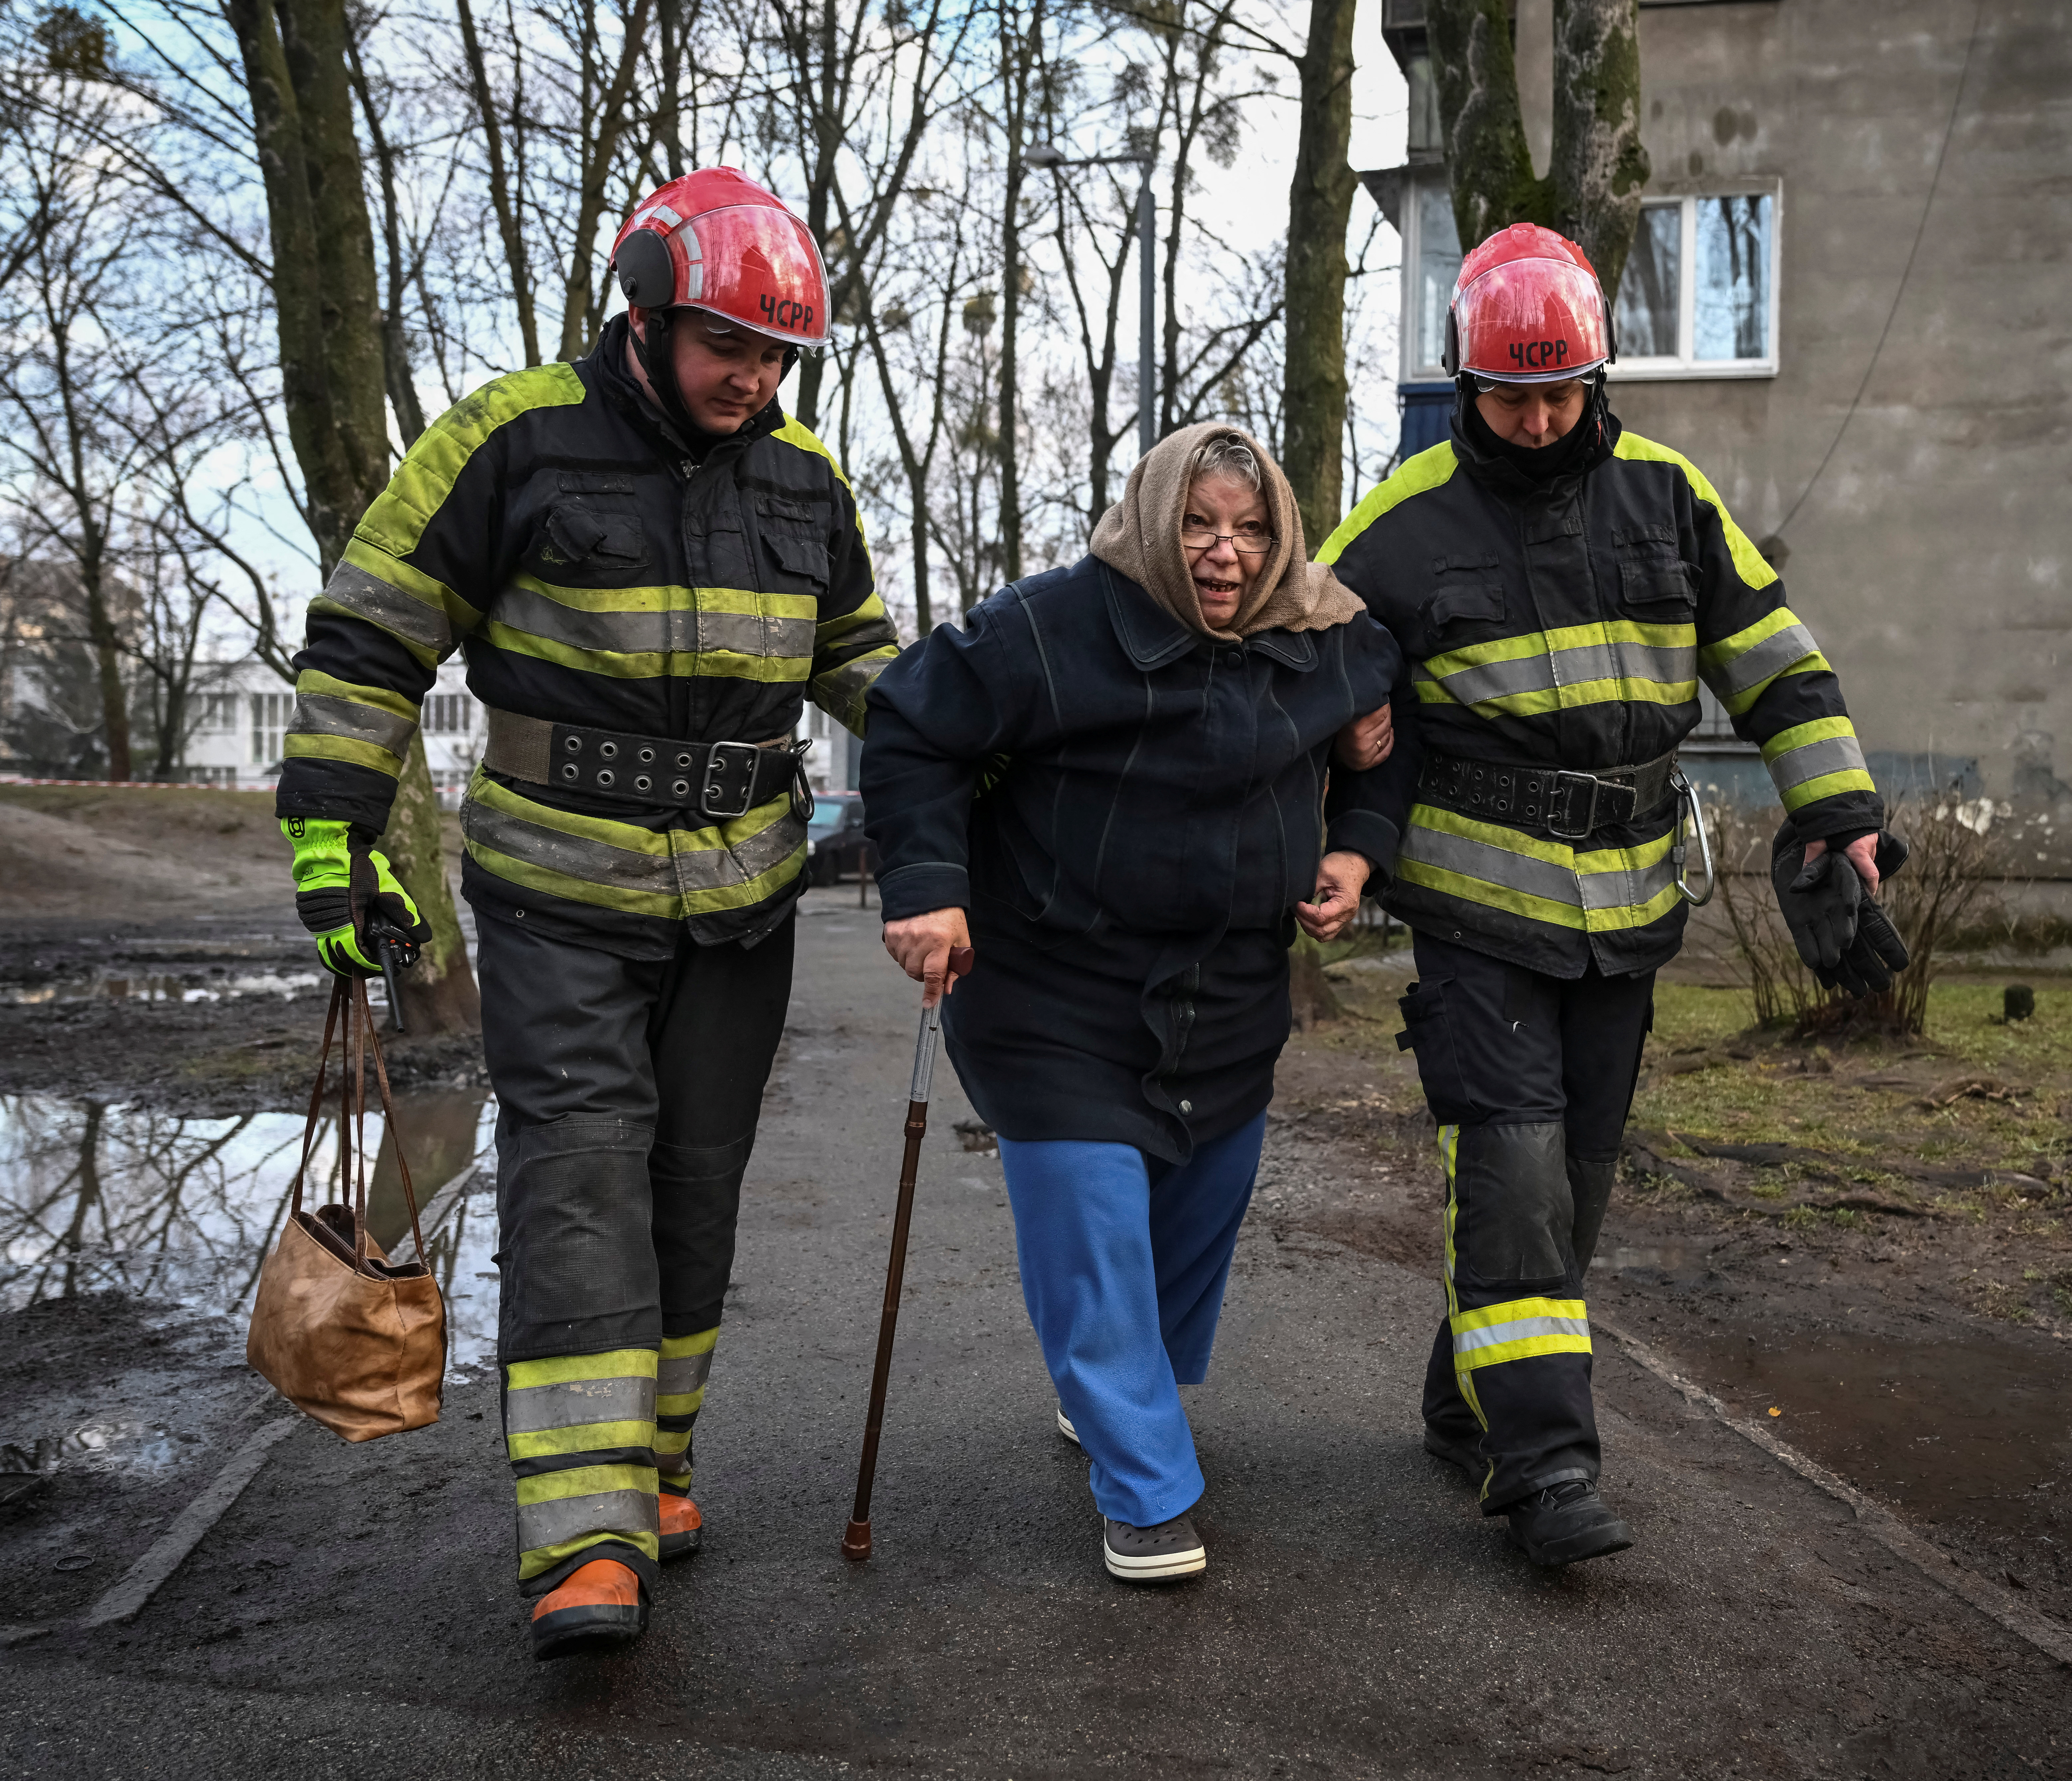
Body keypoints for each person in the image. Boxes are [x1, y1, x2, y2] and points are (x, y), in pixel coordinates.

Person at [272, 167, 897, 1659]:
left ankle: (657, 1460)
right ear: (645, 312)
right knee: (579, 1182)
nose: (751, 381)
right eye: (725, 349)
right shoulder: (509, 440)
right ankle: (582, 1534)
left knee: (695, 1186)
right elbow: (370, 634)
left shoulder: (806, 483)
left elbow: (872, 669)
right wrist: (332, 841)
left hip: (744, 901)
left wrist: (1006, 766)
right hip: (557, 895)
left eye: (774, 358)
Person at [1318, 223, 1907, 1568]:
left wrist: (1840, 818)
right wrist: (1330, 814)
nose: (1532, 421)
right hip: (1473, 906)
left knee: (1571, 1185)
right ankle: (1544, 1472)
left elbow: (1777, 665)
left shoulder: (1669, 497)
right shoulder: (1399, 526)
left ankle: (1464, 1395)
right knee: (1513, 1168)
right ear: (1464, 387)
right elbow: (1298, 682)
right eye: (1506, 396)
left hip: (1629, 903)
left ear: (1598, 376)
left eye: (1556, 392)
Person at [860, 423, 1405, 1583]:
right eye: (1201, 524)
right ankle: (1146, 1485)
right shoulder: (1051, 624)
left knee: (1195, 1213)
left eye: (1252, 529)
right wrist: (926, 888)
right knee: (1094, 1218)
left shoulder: (1324, 637)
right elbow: (911, 721)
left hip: (1230, 994)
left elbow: (1390, 737)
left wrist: (1359, 845)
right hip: (1051, 990)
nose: (1226, 553)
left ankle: (1118, 1390)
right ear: (1155, 522)